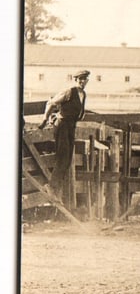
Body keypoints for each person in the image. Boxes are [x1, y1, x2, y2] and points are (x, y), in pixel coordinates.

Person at [37, 69, 91, 206]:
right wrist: (45, 119)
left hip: (71, 126)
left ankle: (55, 188)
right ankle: (51, 187)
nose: (82, 81)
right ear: (75, 80)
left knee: (67, 159)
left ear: (87, 81)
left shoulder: (83, 94)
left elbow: (80, 111)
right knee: (62, 155)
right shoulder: (69, 91)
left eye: (85, 79)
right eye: (80, 79)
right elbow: (51, 103)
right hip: (62, 124)